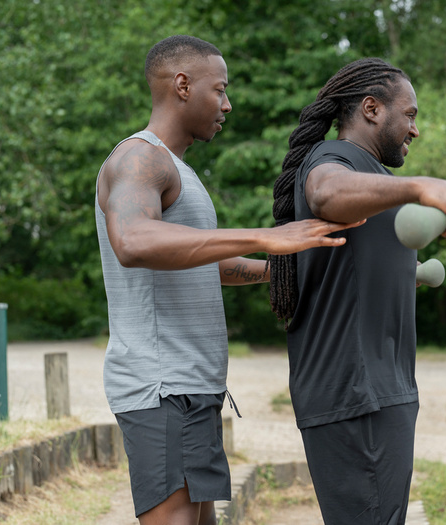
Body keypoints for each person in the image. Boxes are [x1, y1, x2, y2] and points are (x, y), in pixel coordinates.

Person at [95, 35, 362, 525]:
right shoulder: (140, 158)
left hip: (193, 386)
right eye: (219, 90)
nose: (228, 103)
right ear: (182, 85)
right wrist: (266, 236)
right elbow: (132, 241)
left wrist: (286, 270)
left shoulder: (178, 170)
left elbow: (199, 259)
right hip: (162, 386)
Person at [269, 57, 446, 524]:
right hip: (355, 392)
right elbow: (327, 193)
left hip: (380, 389)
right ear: (371, 109)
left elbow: (349, 268)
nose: (415, 130)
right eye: (409, 115)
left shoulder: (377, 180)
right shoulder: (335, 159)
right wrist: (422, 187)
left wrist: (409, 273)